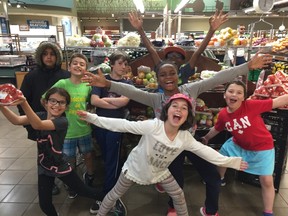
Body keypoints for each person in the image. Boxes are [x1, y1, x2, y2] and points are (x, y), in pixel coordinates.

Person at [82, 52, 272, 216]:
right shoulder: (155, 100)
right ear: (158, 78)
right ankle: (171, 206)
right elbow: (130, 92)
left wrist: (246, 66)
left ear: (178, 75)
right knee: (176, 181)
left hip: (188, 140)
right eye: (163, 74)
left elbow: (219, 78)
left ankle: (211, 210)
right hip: (164, 148)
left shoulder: (191, 89)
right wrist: (107, 83)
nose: (168, 77)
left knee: (212, 177)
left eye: (172, 73)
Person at [77, 93, 248, 216]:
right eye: (175, 106)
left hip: (160, 172)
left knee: (179, 195)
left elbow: (206, 152)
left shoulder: (185, 137)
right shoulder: (153, 126)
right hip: (134, 169)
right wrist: (92, 118)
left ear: (187, 116)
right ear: (167, 111)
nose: (179, 109)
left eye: (184, 108)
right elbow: (122, 125)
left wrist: (229, 162)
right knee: (114, 195)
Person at [0, 87, 105, 216]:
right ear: (46, 102)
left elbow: (38, 125)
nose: (56, 105)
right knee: (44, 204)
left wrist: (24, 102)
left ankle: (108, 199)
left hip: (60, 165)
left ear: (66, 106)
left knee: (83, 190)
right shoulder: (40, 115)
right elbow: (16, 120)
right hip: (44, 166)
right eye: (53, 101)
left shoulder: (62, 121)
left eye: (61, 102)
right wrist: (1, 105)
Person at [201, 80, 288, 216]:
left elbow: (276, 102)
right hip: (237, 145)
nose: (234, 94)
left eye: (239, 92)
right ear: (225, 95)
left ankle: (268, 212)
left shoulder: (251, 105)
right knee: (222, 158)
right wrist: (206, 138)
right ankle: (219, 179)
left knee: (266, 180)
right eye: (231, 91)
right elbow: (217, 128)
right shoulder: (224, 114)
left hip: (262, 148)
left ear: (243, 97)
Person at [18, 41, 70, 195]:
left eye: (52, 54)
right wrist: (28, 123)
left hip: (58, 124)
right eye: (45, 54)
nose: (48, 57)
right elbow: (22, 100)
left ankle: (66, 178)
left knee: (61, 151)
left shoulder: (65, 76)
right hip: (38, 122)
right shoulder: (31, 76)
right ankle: (48, 182)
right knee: (42, 153)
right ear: (40, 56)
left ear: (57, 56)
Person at [128, 9, 228, 85]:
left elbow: (197, 53)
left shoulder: (185, 72)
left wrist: (211, 30)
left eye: (178, 57)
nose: (174, 58)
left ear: (182, 62)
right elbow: (152, 50)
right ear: (165, 59)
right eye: (170, 56)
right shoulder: (160, 67)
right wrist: (140, 29)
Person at [89, 51, 133, 214]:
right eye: (120, 63)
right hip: (100, 125)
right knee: (107, 158)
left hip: (116, 126)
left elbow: (124, 101)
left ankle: (107, 197)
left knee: (112, 161)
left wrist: (105, 101)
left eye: (125, 64)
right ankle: (110, 192)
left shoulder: (128, 83)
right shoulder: (102, 80)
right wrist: (116, 103)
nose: (123, 66)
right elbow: (94, 101)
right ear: (112, 64)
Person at [49, 53, 95, 198]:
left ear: (86, 68)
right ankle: (72, 184)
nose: (78, 66)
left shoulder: (88, 85)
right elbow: (45, 99)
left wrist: (90, 112)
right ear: (69, 67)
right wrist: (53, 116)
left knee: (88, 155)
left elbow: (90, 103)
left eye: (82, 64)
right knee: (69, 160)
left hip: (84, 129)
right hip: (67, 131)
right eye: (75, 63)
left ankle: (90, 176)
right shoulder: (62, 84)